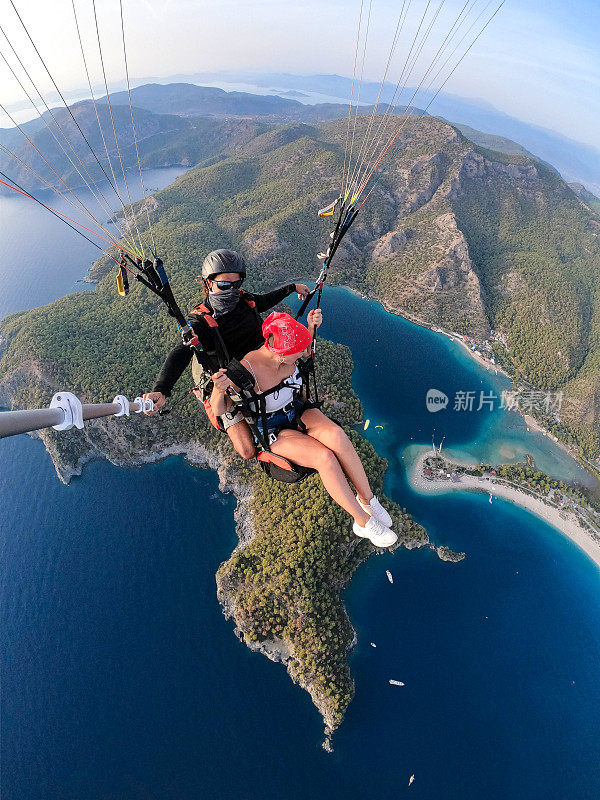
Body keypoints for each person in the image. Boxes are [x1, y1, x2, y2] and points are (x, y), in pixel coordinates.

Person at [210, 310, 398, 548]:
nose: (304, 354)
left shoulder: (285, 355)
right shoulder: (244, 373)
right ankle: (362, 522)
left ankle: (368, 500)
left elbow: (301, 349)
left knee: (337, 436)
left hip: (297, 410)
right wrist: (218, 389)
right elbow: (220, 410)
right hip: (272, 428)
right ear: (283, 354)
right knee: (325, 458)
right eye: (298, 351)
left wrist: (310, 326)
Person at [144, 249, 309, 459]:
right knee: (247, 450)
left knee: (304, 399)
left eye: (236, 284)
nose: (231, 290)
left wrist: (292, 287)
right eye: (224, 285)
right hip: (228, 380)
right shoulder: (201, 322)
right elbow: (181, 352)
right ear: (208, 283)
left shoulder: (245, 301)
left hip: (259, 368)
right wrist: (162, 389)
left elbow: (266, 300)